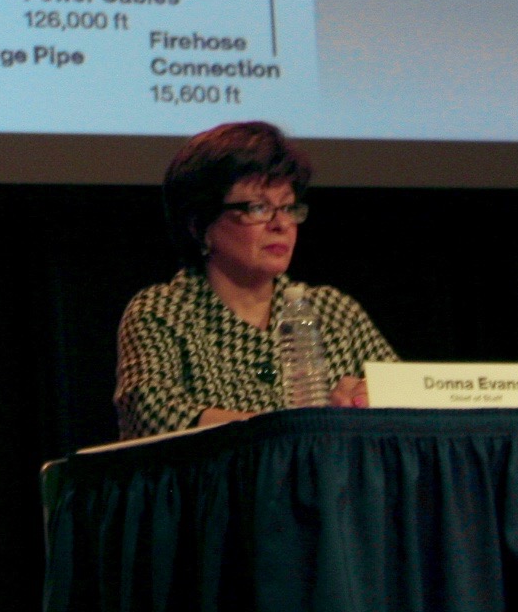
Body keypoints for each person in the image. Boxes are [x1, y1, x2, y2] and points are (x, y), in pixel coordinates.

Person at [113, 121, 395, 438]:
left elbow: (411, 398)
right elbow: (151, 412)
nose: (281, 224)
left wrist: (373, 395)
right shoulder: (162, 311)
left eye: (288, 208)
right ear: (199, 224)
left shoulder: (334, 312)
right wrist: (281, 433)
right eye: (258, 208)